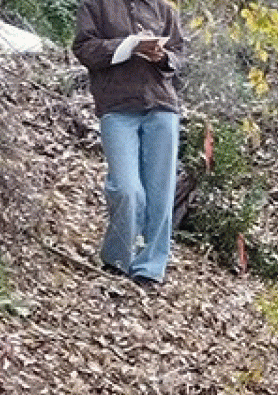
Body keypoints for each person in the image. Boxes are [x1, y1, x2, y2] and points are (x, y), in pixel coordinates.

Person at [72, 0, 185, 287]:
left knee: (160, 192)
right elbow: (83, 49)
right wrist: (126, 47)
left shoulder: (163, 7)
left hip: (162, 106)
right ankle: (117, 259)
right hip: (117, 106)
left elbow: (179, 53)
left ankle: (150, 268)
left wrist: (161, 57)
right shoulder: (95, 5)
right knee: (125, 188)